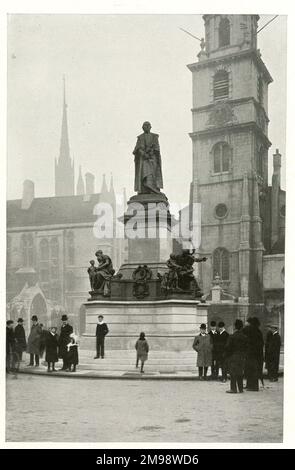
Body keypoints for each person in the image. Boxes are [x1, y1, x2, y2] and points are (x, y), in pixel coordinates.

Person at [133, 121, 163, 194]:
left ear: (150, 127)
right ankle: (145, 188)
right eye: (145, 126)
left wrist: (151, 152)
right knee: (145, 172)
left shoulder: (154, 137)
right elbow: (137, 149)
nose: (146, 127)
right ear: (143, 128)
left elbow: (157, 147)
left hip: (152, 159)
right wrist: (143, 153)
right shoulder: (140, 137)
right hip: (144, 159)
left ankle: (153, 188)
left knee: (153, 173)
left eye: (148, 126)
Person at [225, 319, 248, 394]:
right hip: (242, 357)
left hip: (233, 357)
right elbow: (247, 347)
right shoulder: (245, 337)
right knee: (240, 372)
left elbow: (228, 347)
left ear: (235, 327)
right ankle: (240, 389)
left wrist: (227, 356)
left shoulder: (232, 337)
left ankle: (233, 389)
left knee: (233, 373)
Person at [243, 316, 264, 391]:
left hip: (251, 354)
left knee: (250, 370)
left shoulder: (249, 329)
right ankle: (250, 385)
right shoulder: (258, 331)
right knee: (253, 370)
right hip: (257, 354)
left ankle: (253, 387)